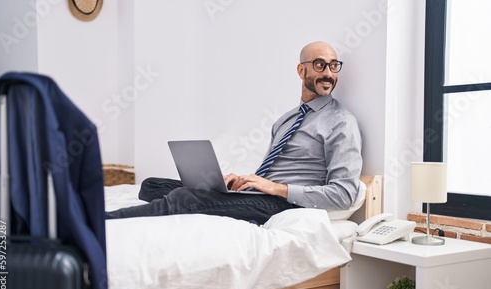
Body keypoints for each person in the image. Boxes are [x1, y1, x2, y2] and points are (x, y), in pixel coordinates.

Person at [106, 41, 362, 225]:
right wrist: (241, 181)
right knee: (152, 185)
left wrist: (277, 188)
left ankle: (102, 221)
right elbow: (271, 171)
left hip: (283, 204)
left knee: (185, 197)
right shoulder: (286, 120)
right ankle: (212, 194)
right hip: (258, 194)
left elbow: (344, 194)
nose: (328, 73)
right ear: (301, 70)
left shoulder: (341, 123)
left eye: (333, 65)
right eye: (320, 65)